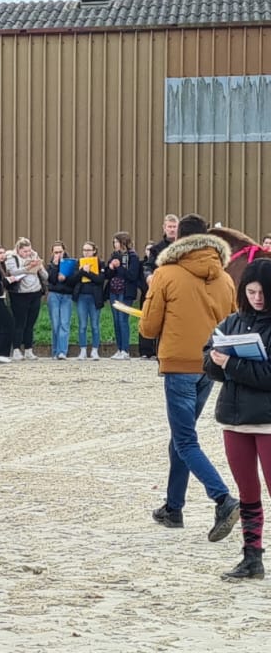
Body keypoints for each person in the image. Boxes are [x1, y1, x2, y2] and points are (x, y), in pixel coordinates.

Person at [141, 214, 241, 541]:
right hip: (209, 366)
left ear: (177, 240)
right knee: (181, 437)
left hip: (179, 365)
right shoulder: (225, 279)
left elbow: (148, 328)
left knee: (185, 440)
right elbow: (233, 326)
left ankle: (222, 498)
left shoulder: (166, 274)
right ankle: (173, 507)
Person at [204, 259, 271, 580]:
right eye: (252, 291)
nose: (258, 298)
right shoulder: (231, 322)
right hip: (234, 420)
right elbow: (209, 360)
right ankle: (251, 558)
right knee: (247, 493)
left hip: (268, 422)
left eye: (264, 292)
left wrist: (231, 365)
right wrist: (217, 361)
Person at [141, 215, 181, 360]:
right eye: (169, 227)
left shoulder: (186, 246)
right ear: (164, 228)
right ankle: (162, 357)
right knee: (163, 325)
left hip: (183, 291)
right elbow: (147, 266)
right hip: (164, 292)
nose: (171, 229)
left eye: (174, 227)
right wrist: (148, 276)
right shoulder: (156, 249)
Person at [5, 238, 48, 360]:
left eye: (29, 251)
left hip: (35, 292)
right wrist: (29, 267)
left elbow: (46, 276)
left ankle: (29, 349)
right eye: (25, 251)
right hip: (19, 294)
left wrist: (39, 266)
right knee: (20, 323)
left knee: (30, 323)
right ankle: (17, 349)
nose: (27, 253)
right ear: (18, 250)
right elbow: (13, 272)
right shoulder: (11, 258)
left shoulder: (34, 257)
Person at [107, 232, 144, 360]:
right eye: (114, 242)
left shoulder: (133, 257)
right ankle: (119, 348)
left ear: (123, 242)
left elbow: (132, 276)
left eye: (116, 242)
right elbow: (108, 274)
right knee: (116, 320)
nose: (115, 244)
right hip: (114, 291)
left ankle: (125, 350)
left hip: (125, 292)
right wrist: (111, 268)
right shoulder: (114, 256)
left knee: (123, 320)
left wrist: (119, 267)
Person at [70, 241, 107, 360]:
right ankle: (83, 350)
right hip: (82, 297)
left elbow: (100, 279)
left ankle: (95, 350)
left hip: (95, 297)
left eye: (88, 250)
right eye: (84, 250)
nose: (86, 252)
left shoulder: (100, 263)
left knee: (95, 325)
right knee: (82, 325)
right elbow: (73, 279)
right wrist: (81, 271)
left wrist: (88, 272)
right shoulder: (78, 263)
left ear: (94, 251)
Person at [44, 241, 76, 360]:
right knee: (55, 323)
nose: (58, 254)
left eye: (60, 252)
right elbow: (51, 280)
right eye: (56, 252)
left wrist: (65, 278)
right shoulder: (51, 265)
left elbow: (74, 280)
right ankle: (55, 351)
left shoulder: (70, 263)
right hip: (54, 294)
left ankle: (62, 351)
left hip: (66, 295)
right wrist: (56, 266)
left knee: (64, 323)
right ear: (52, 253)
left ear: (64, 251)